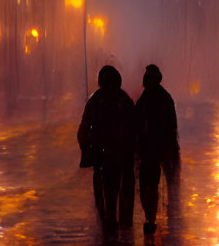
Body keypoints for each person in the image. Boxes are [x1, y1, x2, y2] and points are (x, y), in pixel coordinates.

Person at [77, 65, 135, 233]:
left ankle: (109, 226)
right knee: (119, 192)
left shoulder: (96, 101)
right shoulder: (123, 100)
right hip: (118, 155)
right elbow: (134, 127)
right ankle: (121, 226)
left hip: (105, 156)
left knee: (106, 194)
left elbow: (83, 130)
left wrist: (89, 150)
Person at [134, 64, 180, 233]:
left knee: (148, 185)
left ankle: (151, 217)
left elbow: (137, 124)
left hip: (151, 149)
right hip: (155, 149)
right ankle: (153, 217)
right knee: (152, 184)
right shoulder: (162, 98)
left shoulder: (146, 99)